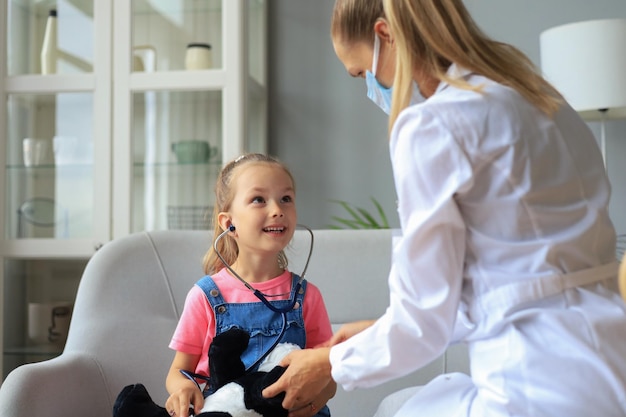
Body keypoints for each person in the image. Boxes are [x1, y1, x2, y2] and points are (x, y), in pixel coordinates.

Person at [262, 1, 626, 416]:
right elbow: (526, 284)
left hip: (533, 380)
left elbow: (424, 322)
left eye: (362, 72)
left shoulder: (433, 127)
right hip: (610, 363)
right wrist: (377, 334)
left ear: (386, 35)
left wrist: (332, 363)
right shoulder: (544, 101)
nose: (370, 86)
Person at [166, 153, 336, 417]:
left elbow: (329, 372)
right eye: (259, 199)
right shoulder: (205, 296)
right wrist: (183, 389)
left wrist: (313, 405)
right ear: (228, 223)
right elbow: (178, 372)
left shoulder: (307, 297)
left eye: (286, 199)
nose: (277, 210)